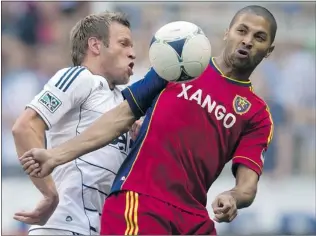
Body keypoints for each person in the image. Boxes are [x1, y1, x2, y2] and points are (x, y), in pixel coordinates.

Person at [20, 5, 277, 235]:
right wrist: (56, 155)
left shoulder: (257, 114)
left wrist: (233, 197)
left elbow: (247, 187)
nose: (247, 41)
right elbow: (119, 117)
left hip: (194, 218)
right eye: (241, 31)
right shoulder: (179, 63)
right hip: (141, 201)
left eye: (259, 37)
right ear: (227, 32)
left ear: (269, 50)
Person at [12, 11, 137, 235]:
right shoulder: (81, 78)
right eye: (124, 43)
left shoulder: (124, 103)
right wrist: (49, 194)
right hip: (63, 225)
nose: (132, 53)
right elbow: (25, 127)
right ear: (96, 46)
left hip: (98, 227)